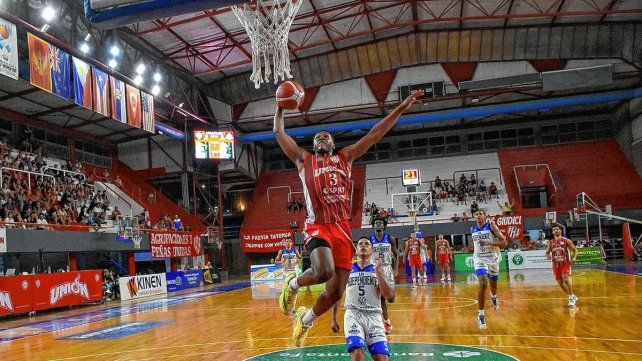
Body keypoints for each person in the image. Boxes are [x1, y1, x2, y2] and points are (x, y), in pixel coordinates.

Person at [275, 89, 424, 347]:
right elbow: (279, 133)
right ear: (314, 146)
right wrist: (280, 106)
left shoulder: (346, 157)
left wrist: (401, 107)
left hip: (342, 228)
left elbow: (375, 133)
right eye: (318, 138)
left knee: (335, 292)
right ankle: (294, 283)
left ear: (332, 145)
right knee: (324, 271)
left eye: (326, 138)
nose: (322, 139)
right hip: (318, 225)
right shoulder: (304, 159)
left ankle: (305, 320)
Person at [331, 237, 394, 361]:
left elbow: (390, 297)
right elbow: (337, 295)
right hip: (353, 314)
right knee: (358, 354)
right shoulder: (347, 270)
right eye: (360, 244)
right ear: (356, 250)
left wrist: (379, 273)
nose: (363, 246)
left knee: (382, 358)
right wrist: (333, 318)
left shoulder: (379, 270)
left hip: (374, 316)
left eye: (367, 244)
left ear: (372, 250)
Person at [471, 210, 507, 329]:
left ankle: (494, 296)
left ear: (485, 216)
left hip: (492, 258)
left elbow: (504, 242)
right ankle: (481, 314)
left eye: (481, 213)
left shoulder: (491, 226)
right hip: (479, 259)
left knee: (493, 283)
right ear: (474, 217)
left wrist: (489, 242)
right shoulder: (473, 229)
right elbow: (475, 245)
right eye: (476, 214)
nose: (478, 215)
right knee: (483, 283)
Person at [369, 216, 398, 334]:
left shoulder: (390, 239)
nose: (378, 225)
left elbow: (396, 254)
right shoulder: (370, 239)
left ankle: (384, 321)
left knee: (390, 298)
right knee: (379, 298)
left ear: (384, 225)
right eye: (376, 223)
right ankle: (386, 322)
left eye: (380, 223)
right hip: (374, 269)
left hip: (387, 268)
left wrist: (395, 268)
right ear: (373, 225)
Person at [545, 226, 579, 307]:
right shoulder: (550, 242)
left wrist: (574, 258)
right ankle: (572, 295)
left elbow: (575, 250)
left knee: (565, 279)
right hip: (555, 265)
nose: (555, 231)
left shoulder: (566, 240)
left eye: (557, 229)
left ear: (560, 230)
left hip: (565, 263)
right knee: (560, 282)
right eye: (553, 230)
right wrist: (547, 256)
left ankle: (571, 299)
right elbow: (547, 253)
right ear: (552, 232)